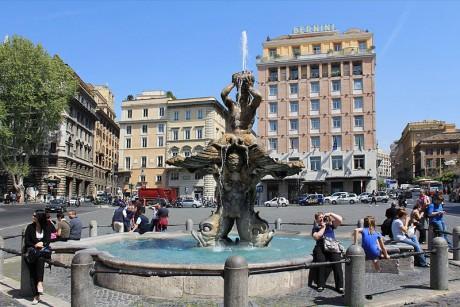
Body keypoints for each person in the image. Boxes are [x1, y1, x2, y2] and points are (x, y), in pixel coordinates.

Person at [310, 211, 344, 293]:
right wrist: (323, 227)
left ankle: (339, 286)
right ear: (316, 220)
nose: (322, 218)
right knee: (321, 262)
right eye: (319, 218)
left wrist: (331, 214)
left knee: (337, 261)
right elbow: (317, 237)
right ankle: (321, 285)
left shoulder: (331, 225)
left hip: (331, 246)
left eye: (322, 217)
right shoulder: (316, 228)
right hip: (320, 247)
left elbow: (340, 220)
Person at [23, 210, 51, 304]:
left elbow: (48, 239)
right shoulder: (30, 227)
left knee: (40, 259)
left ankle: (39, 284)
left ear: (39, 217)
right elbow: (27, 242)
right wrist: (36, 245)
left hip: (42, 253)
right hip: (32, 252)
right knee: (32, 273)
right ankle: (37, 292)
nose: (32, 216)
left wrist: (43, 242)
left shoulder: (46, 226)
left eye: (34, 215)